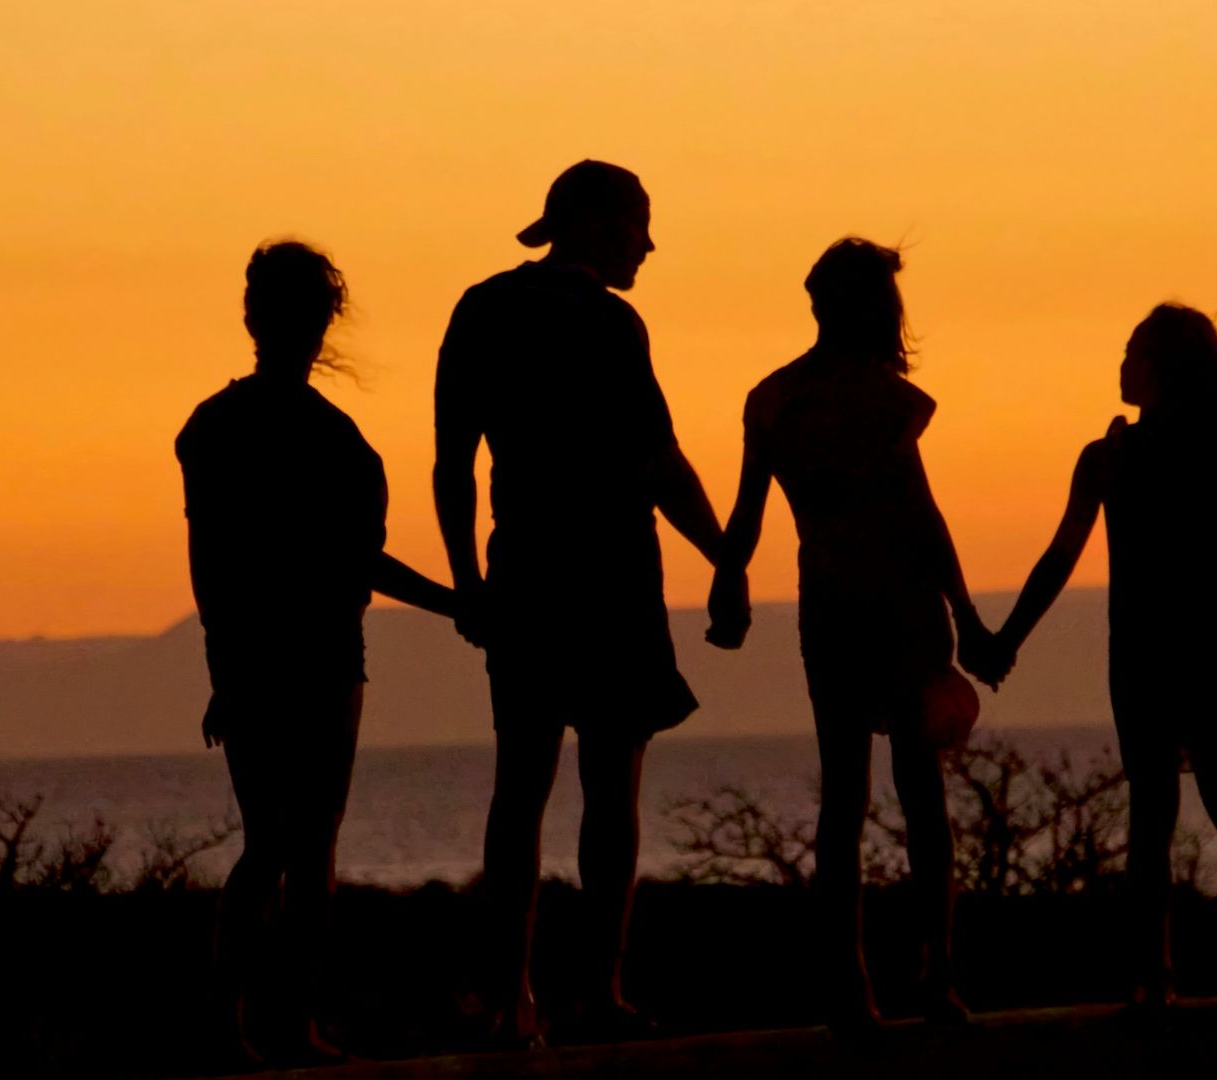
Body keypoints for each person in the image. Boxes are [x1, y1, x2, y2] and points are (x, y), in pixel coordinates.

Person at [973, 302, 1217, 1011]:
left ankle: (1161, 976)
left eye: (1132, 353)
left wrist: (1004, 641)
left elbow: (1062, 560)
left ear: (1161, 369)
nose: (1120, 365)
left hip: (1156, 649)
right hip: (1197, 643)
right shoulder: (1178, 450)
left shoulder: (1117, 457)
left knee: (1161, 815)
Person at [433, 161, 728, 1044]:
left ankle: (511, 998)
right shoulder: (610, 322)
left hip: (521, 572)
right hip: (610, 579)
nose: (648, 242)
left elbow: (454, 464)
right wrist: (726, 556)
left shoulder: (481, 308)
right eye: (640, 222)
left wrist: (467, 583)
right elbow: (658, 461)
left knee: (518, 790)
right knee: (610, 792)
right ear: (598, 225)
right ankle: (599, 992)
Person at [176, 240, 456, 1065]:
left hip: (281, 657)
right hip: (311, 659)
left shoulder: (226, 427)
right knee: (301, 846)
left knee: (279, 845)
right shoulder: (317, 436)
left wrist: (223, 667)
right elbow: (341, 561)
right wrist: (458, 604)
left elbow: (214, 566)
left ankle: (258, 1024)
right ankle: (275, 1024)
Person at [707, 238, 990, 1031]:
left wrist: (730, 587)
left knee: (846, 798)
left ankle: (855, 985)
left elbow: (748, 514)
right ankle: (934, 978)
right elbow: (921, 518)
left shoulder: (773, 399)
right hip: (897, 605)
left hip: (828, 604)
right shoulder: (886, 399)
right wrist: (965, 614)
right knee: (920, 795)